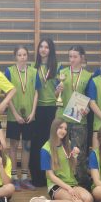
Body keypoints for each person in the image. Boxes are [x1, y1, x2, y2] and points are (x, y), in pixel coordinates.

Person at [28, 118, 94, 202]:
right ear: (54, 128)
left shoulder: (68, 144)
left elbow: (73, 167)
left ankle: (66, 200)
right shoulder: (45, 149)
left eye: (65, 129)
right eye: (60, 128)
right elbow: (50, 176)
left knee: (89, 201)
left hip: (71, 183)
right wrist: (68, 188)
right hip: (56, 186)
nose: (63, 131)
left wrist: (75, 155)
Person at [54, 45, 92, 186]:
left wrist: (87, 109)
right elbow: (55, 96)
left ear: (82, 57)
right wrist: (58, 90)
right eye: (70, 56)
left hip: (79, 119)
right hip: (62, 118)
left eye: (75, 56)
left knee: (78, 152)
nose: (72, 59)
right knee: (60, 150)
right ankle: (61, 181)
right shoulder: (62, 72)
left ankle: (80, 183)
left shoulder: (88, 76)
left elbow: (91, 98)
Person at [5, 45, 39, 190]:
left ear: (28, 56)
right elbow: (7, 94)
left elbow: (36, 93)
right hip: (14, 116)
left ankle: (24, 177)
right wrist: (15, 114)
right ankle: (14, 177)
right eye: (19, 55)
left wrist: (33, 112)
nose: (22, 57)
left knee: (27, 146)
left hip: (29, 116)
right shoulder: (9, 71)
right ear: (15, 56)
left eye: (24, 55)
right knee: (13, 146)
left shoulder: (34, 72)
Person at [30, 38, 59, 187]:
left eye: (46, 47)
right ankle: (37, 176)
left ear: (51, 50)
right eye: (41, 46)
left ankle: (52, 176)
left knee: (52, 143)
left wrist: (59, 91)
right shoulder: (32, 67)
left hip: (53, 109)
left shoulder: (58, 67)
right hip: (38, 109)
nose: (43, 49)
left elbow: (59, 92)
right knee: (37, 143)